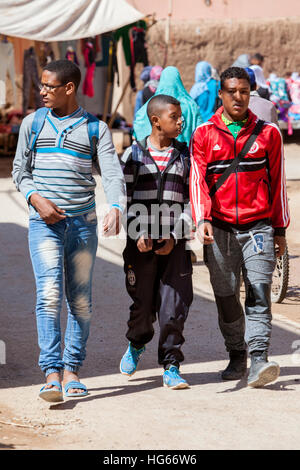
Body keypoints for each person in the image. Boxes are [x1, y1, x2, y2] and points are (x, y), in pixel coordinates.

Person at [12, 60, 126, 401]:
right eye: (42, 86)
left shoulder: (96, 129)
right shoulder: (32, 124)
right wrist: (36, 199)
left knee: (80, 300)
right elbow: (20, 171)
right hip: (43, 225)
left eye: (49, 86)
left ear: (69, 88)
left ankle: (72, 369)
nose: (42, 91)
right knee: (48, 295)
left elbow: (112, 172)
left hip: (83, 226)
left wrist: (117, 206)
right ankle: (51, 374)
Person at [189, 67, 289, 388]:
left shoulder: (269, 133)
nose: (238, 97)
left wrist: (280, 229)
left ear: (250, 93)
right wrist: (202, 218)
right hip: (218, 229)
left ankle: (259, 359)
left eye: (244, 91)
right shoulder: (204, 134)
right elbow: (198, 181)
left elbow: (279, 185)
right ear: (221, 94)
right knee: (226, 296)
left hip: (258, 227)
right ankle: (236, 353)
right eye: (231, 91)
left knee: (259, 292)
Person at [120, 94, 193, 389]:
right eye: (174, 117)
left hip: (174, 246)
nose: (180, 122)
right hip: (140, 247)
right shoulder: (133, 155)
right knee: (143, 305)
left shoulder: (186, 156)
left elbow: (191, 203)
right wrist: (136, 233)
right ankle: (136, 343)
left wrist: (176, 236)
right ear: (156, 120)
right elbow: (122, 199)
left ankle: (171, 364)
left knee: (173, 306)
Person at [133, 66, 202, 145]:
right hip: (186, 152)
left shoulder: (155, 103)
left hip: (157, 150)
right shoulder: (190, 105)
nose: (179, 122)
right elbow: (200, 128)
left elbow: (139, 121)